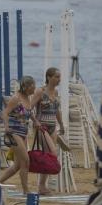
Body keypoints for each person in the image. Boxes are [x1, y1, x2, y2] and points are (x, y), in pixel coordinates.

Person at [0, 76, 38, 194]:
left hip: (23, 133)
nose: (34, 89)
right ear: (26, 87)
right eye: (33, 87)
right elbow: (4, 113)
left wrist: (35, 121)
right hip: (14, 132)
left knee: (16, 166)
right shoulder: (16, 98)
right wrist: (6, 127)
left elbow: (28, 112)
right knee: (26, 161)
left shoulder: (28, 98)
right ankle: (26, 190)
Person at [31, 67, 65, 195]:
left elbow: (57, 110)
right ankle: (41, 186)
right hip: (42, 126)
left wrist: (61, 124)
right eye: (56, 77)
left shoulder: (55, 93)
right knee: (51, 153)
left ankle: (42, 186)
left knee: (49, 156)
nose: (58, 79)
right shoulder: (40, 91)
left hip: (53, 126)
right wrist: (35, 122)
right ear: (49, 77)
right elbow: (29, 108)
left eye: (59, 77)